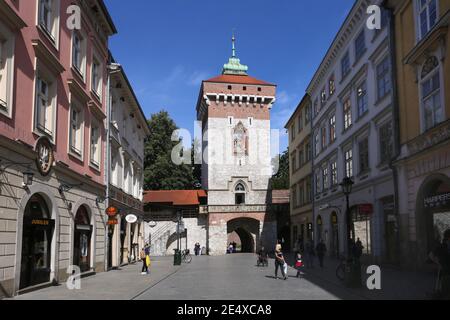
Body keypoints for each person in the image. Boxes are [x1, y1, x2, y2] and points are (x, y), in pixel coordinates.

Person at [429, 229, 450, 299]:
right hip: (444, 272)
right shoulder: (441, 247)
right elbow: (431, 255)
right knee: (443, 291)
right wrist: (438, 263)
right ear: (447, 238)